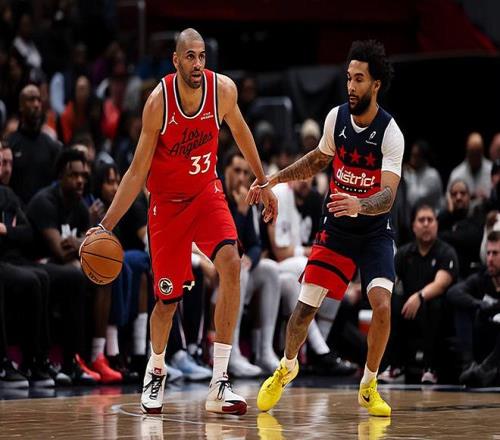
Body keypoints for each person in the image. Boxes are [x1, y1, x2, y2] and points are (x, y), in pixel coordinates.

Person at [86, 28, 277, 415]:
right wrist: (106, 225)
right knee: (167, 301)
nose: (197, 64)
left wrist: (263, 181)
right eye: (190, 56)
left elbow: (242, 133)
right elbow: (136, 172)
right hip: (167, 206)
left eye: (202, 56)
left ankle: (219, 382)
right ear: (175, 60)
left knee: (231, 264)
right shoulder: (159, 102)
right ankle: (155, 369)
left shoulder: (222, 91)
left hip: (206, 194)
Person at [251, 40, 404, 417]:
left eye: (359, 79)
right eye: (348, 78)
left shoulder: (390, 133)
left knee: (383, 305)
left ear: (375, 85)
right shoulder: (336, 119)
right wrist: (275, 179)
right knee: (304, 310)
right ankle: (287, 367)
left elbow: (388, 196)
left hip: (373, 232)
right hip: (337, 230)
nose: (350, 86)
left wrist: (359, 204)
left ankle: (368, 385)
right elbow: (316, 161)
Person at [379, 204, 458, 385]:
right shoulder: (404, 253)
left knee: (435, 303)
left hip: (438, 310)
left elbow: (441, 283)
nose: (426, 224)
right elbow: (391, 280)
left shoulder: (446, 252)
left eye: (430, 220)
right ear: (413, 226)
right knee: (391, 302)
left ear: (436, 224)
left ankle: (431, 368)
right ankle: (395, 366)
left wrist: (420, 296)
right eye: (421, 220)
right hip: (410, 309)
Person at [447, 230, 500, 387]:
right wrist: (479, 304)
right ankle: (469, 364)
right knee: (462, 307)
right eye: (488, 253)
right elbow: (454, 292)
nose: (490, 259)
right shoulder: (482, 278)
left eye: (495, 253)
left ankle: (486, 368)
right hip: (485, 340)